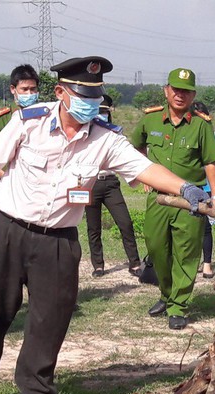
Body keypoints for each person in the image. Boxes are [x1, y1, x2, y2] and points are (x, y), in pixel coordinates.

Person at [0, 56, 209, 394]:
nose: (90, 102)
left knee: (50, 319)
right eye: (82, 94)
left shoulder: (105, 139)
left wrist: (184, 186)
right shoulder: (28, 121)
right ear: (60, 92)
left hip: (58, 242)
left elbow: (145, 168)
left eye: (95, 95)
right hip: (8, 230)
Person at [130, 68, 215, 330]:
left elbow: (210, 164)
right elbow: (136, 146)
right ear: (166, 91)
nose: (179, 95)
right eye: (175, 89)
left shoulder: (201, 124)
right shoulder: (150, 120)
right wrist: (144, 174)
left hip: (190, 202)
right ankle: (166, 294)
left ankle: (178, 306)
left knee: (186, 253)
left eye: (186, 91)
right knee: (157, 248)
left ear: (193, 95)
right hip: (159, 199)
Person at [85, 94, 143, 278]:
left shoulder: (114, 133)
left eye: (105, 111)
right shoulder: (86, 132)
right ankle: (98, 265)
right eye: (98, 111)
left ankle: (134, 263)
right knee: (93, 227)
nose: (101, 115)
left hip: (110, 183)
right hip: (91, 183)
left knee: (125, 222)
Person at [0, 64, 40, 214]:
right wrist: (3, 174)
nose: (29, 93)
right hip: (6, 187)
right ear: (13, 89)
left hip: (36, 191)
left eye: (33, 89)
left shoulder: (45, 117)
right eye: (24, 89)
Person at [190, 100, 215, 279]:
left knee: (205, 227)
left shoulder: (213, 135)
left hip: (206, 187)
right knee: (188, 226)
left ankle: (207, 264)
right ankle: (191, 262)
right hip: (188, 185)